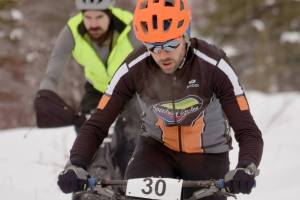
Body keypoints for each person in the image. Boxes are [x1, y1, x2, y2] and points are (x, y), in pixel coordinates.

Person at [57, 0, 264, 199]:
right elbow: (97, 124)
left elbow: (247, 130)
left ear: (186, 34)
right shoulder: (135, 67)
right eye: (153, 46)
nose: (162, 54)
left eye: (171, 44)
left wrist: (246, 167)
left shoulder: (214, 66)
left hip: (208, 155)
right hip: (156, 151)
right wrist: (76, 164)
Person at [34, 0, 141, 178]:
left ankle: (129, 179)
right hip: (97, 89)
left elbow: (148, 60)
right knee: (88, 134)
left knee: (131, 138)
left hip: (129, 89)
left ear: (110, 14)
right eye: (88, 17)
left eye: (99, 17)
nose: (93, 23)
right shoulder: (72, 29)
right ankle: (89, 183)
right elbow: (55, 65)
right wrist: (45, 93)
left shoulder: (130, 26)